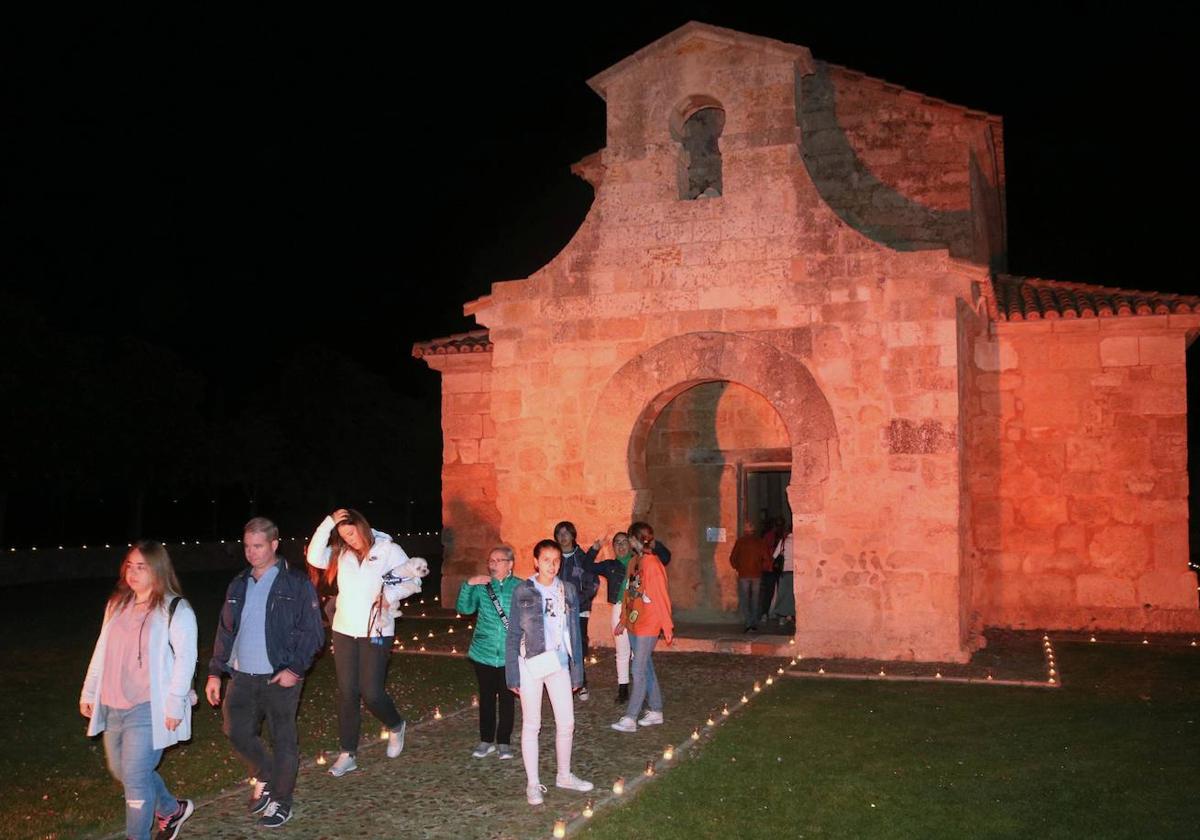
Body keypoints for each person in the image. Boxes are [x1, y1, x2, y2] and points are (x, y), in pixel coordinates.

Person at [206, 517, 325, 828]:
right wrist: (215, 672)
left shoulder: (296, 583)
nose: (251, 552)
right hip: (242, 675)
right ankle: (265, 773)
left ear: (274, 545)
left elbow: (313, 633)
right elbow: (225, 630)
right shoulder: (239, 583)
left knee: (284, 737)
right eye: (247, 546)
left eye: (258, 546)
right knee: (235, 731)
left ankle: (282, 800)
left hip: (279, 676)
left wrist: (295, 669)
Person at [79, 541, 198, 840]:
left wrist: (173, 705)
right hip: (113, 704)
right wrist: (90, 691)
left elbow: (186, 658)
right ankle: (171, 810)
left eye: (141, 566)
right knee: (125, 772)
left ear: (158, 569)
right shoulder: (117, 603)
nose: (132, 572)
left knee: (134, 778)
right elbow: (102, 649)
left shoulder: (175, 608)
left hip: (148, 707)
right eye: (129, 565)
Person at [306, 508, 428, 777]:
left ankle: (396, 725)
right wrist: (328, 522)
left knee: (371, 692)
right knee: (347, 692)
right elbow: (314, 555)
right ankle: (347, 753)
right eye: (343, 535)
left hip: (378, 629)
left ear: (361, 526)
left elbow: (413, 579)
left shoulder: (387, 549)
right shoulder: (342, 554)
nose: (349, 539)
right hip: (344, 629)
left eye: (351, 533)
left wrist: (391, 596)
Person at [506, 540, 593, 806]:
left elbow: (574, 633)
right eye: (546, 560)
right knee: (532, 724)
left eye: (556, 560)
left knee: (567, 722)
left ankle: (564, 775)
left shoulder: (567, 590)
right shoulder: (522, 590)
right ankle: (533, 783)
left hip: (558, 663)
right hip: (530, 663)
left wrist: (577, 671)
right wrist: (512, 674)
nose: (552, 566)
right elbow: (513, 634)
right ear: (536, 561)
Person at [455, 545, 522, 760]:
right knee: (486, 698)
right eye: (490, 560)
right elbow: (464, 609)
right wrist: (468, 584)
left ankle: (503, 742)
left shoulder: (521, 587)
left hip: (509, 654)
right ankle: (486, 740)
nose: (493, 564)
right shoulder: (482, 586)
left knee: (507, 698)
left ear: (510, 564)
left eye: (498, 560)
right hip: (483, 652)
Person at [610, 532, 673, 732]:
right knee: (645, 667)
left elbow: (661, 596)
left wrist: (667, 626)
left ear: (636, 540)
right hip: (635, 623)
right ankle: (656, 710)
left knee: (637, 669)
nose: (629, 542)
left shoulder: (652, 564)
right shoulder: (635, 563)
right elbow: (630, 593)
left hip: (649, 624)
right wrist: (623, 619)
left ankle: (630, 717)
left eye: (630, 539)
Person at [553, 521, 600, 701]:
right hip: (557, 611)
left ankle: (581, 683)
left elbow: (592, 584)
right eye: (559, 534)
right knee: (559, 645)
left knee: (577, 646)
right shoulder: (554, 557)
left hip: (578, 610)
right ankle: (562, 683)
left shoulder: (582, 557)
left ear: (573, 535)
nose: (563, 537)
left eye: (566, 533)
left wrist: (575, 602)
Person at [591, 532, 635, 704]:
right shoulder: (610, 565)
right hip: (618, 608)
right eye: (617, 543)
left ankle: (642, 687)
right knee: (622, 650)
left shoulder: (638, 562)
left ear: (631, 545)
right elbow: (588, 566)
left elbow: (664, 556)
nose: (621, 546)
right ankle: (623, 687)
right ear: (613, 547)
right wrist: (595, 548)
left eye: (625, 542)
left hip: (637, 608)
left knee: (638, 651)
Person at [730, 521, 772, 632]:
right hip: (756, 574)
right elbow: (766, 558)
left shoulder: (740, 542)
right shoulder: (759, 542)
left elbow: (733, 558)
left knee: (745, 599)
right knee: (755, 599)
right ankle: (754, 623)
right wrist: (761, 568)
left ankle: (748, 623)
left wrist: (738, 567)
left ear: (745, 530)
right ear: (754, 530)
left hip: (744, 574)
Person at [769, 529, 796, 628]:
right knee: (793, 596)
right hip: (797, 572)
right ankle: (792, 615)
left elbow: (774, 555)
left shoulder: (783, 541)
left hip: (785, 571)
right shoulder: (800, 541)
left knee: (783, 594)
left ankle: (782, 617)